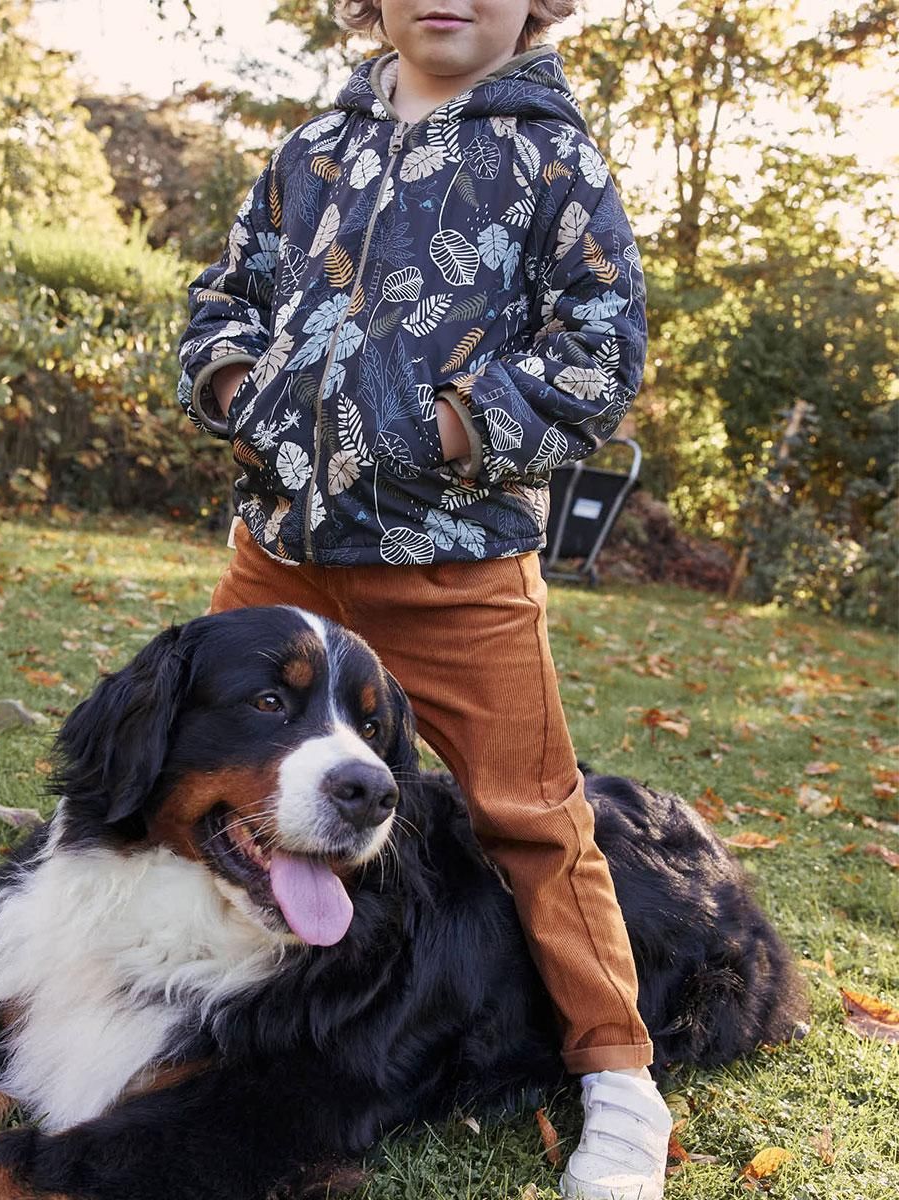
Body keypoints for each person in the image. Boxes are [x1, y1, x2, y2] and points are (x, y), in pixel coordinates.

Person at [176, 3, 671, 1197]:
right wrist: (245, 387)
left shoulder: (555, 157)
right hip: (284, 551)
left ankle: (618, 1076)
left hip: (459, 568)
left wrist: (445, 427)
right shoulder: (312, 150)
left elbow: (602, 351)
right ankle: (134, 972)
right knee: (188, 756)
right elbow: (222, 296)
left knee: (533, 817)